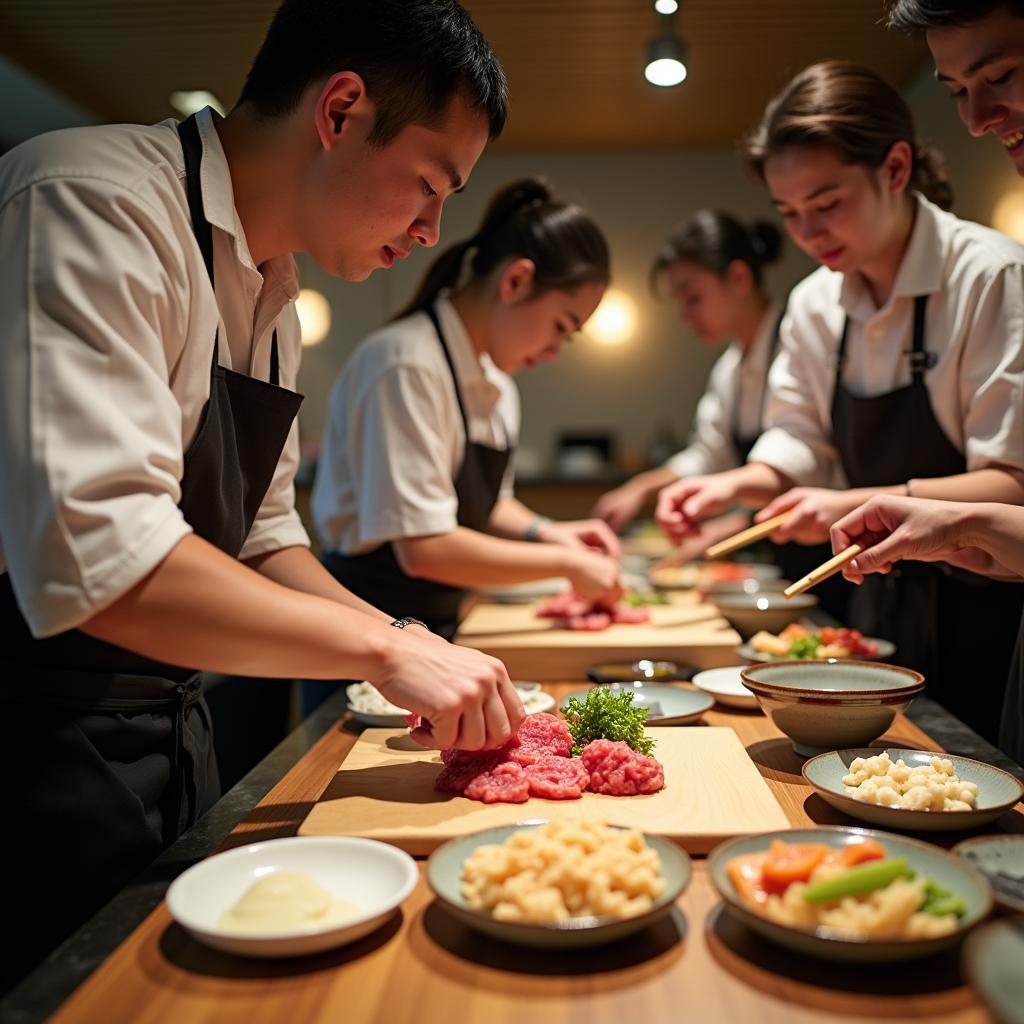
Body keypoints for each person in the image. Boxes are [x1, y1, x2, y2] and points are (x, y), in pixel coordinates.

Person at [0, 0, 524, 989]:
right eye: (428, 184)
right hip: (32, 743)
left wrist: (415, 646)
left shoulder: (275, 283)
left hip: (172, 730)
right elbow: (98, 559)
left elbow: (262, 534)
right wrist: (389, 648)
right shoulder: (91, 199)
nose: (430, 230)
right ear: (340, 110)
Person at [655, 59, 1024, 743]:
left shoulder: (990, 276)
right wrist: (738, 483)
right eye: (791, 214)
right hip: (877, 605)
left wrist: (856, 503)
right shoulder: (816, 301)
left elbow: (1012, 482)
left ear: (895, 168)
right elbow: (798, 440)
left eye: (827, 205)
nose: (809, 233)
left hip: (990, 610)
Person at [311, 177, 622, 661]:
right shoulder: (406, 364)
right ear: (515, 280)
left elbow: (489, 506)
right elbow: (425, 547)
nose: (555, 351)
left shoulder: (496, 383)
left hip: (439, 623)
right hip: (367, 627)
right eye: (561, 327)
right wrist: (566, 564)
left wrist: (547, 530)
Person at [593, 211, 786, 535]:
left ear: (739, 278)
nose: (685, 317)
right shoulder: (730, 370)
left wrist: (732, 525)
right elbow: (708, 455)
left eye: (693, 298)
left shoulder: (800, 338)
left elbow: (814, 462)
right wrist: (641, 487)